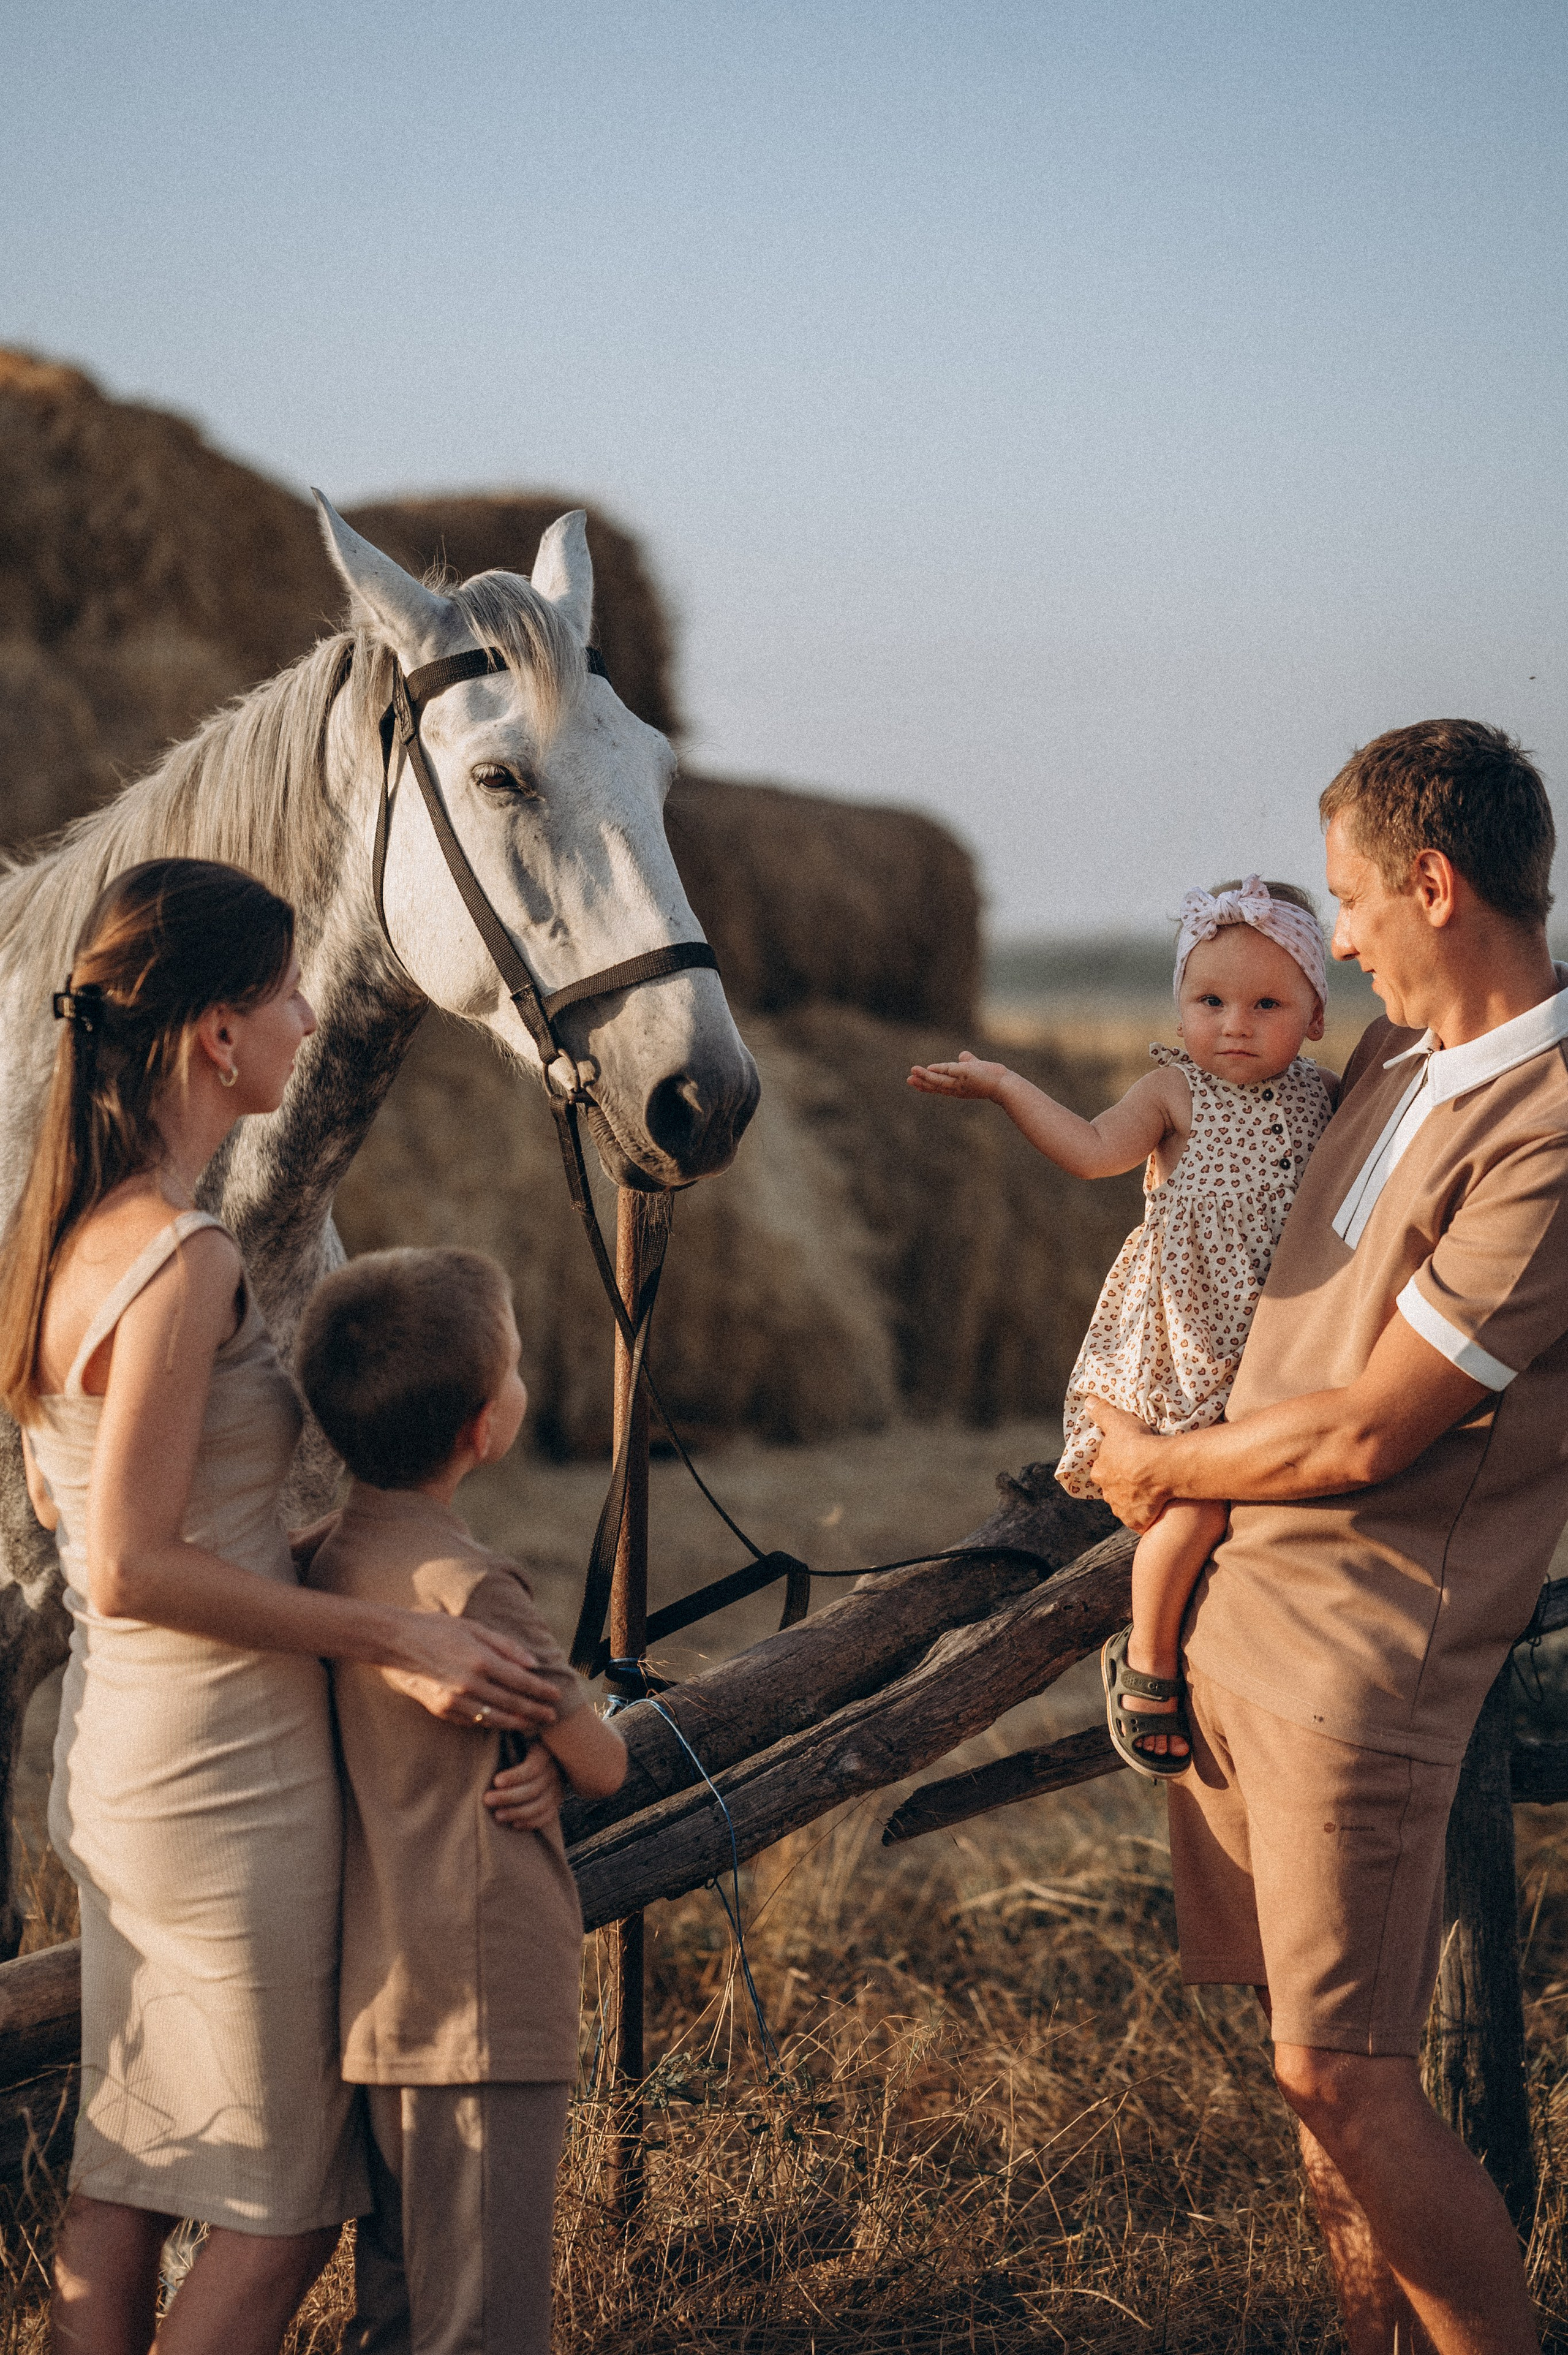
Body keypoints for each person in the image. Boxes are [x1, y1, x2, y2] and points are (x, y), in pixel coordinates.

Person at [0, 858, 564, 2355]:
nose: (314, 1014)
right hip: (219, 1770)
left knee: (131, 2167)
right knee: (278, 2199)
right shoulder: (179, 1262)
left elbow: (68, 1500)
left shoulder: (71, 1233)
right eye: (286, 992)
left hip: (125, 1751)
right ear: (216, 1037)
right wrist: (403, 1629)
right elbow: (118, 1561)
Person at [1089, 721, 1560, 2355]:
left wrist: (1161, 1464)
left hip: (1361, 1664)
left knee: (1344, 2074)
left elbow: (1374, 1428)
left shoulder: (1551, 1130)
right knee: (1310, 2072)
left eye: (1355, 899)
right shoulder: (1391, 1059)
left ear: (1433, 884)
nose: (1339, 936)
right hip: (1235, 1626)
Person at [909, 877, 1335, 1774]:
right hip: (1173, 1353)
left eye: (1267, 1004)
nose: (1234, 1023)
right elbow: (1092, 1152)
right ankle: (1147, 1660)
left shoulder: (1324, 1100)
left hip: (1270, 1357)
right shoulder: (1173, 1091)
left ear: (1316, 1016)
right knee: (1193, 1508)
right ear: (1180, 1006)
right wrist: (1004, 1087)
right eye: (1209, 1000)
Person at [296, 1244, 627, 2355]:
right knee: (484, 2323)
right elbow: (605, 1764)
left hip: (384, 1999)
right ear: (483, 1429)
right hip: (485, 1999)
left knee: (399, 2308)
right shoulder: (471, 1590)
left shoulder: (323, 1565)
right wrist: (558, 1734)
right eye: (519, 1364)